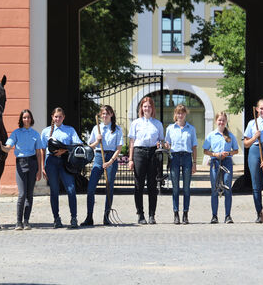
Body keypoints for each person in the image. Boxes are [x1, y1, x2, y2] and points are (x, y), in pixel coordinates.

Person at [0, 109, 43, 230]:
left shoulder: (35, 134)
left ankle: (26, 221)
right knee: (22, 194)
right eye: (24, 117)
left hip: (33, 163)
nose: (26, 119)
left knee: (29, 194)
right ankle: (18, 222)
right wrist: (1, 146)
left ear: (31, 119)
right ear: (21, 119)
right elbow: (8, 148)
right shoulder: (16, 133)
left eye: (28, 117)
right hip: (21, 163)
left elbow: (39, 153)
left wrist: (39, 170)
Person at [40, 107, 83, 229]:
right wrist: (43, 166)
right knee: (54, 191)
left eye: (60, 116)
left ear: (63, 117)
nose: (57, 118)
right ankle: (56, 218)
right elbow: (42, 149)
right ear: (52, 117)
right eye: (55, 116)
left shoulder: (69, 130)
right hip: (51, 162)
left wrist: (64, 150)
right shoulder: (46, 132)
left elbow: (78, 144)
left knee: (71, 189)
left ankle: (73, 218)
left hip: (65, 161)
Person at [81, 105, 123, 227]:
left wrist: (110, 162)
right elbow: (90, 147)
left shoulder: (117, 130)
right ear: (100, 115)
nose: (105, 116)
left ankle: (106, 217)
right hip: (99, 157)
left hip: (111, 158)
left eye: (107, 114)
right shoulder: (96, 128)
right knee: (90, 188)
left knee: (109, 188)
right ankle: (89, 217)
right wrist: (97, 141)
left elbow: (119, 148)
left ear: (111, 115)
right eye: (103, 114)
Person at [128, 96, 164, 224]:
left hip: (153, 153)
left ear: (152, 108)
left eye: (149, 106)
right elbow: (132, 141)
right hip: (139, 153)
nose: (146, 108)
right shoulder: (136, 123)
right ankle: (140, 214)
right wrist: (130, 159)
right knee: (139, 185)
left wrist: (161, 144)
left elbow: (161, 140)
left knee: (152, 186)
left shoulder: (158, 124)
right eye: (144, 106)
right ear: (141, 108)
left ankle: (152, 215)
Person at [203, 111, 239, 224]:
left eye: (223, 120)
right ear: (216, 121)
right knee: (215, 189)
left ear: (226, 121)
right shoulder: (211, 135)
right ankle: (214, 216)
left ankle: (228, 216)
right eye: (219, 120)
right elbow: (205, 150)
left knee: (228, 188)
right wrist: (215, 154)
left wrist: (228, 154)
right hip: (215, 162)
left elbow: (236, 150)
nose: (221, 122)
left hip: (227, 162)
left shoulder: (230, 135)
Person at [164, 104, 198, 225]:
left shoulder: (191, 129)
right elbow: (167, 143)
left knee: (187, 188)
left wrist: (195, 162)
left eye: (182, 113)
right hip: (175, 157)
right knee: (175, 188)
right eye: (178, 113)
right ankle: (176, 213)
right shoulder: (170, 128)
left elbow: (194, 146)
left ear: (185, 114)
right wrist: (166, 145)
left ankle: (185, 214)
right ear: (175, 114)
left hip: (187, 157)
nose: (180, 115)